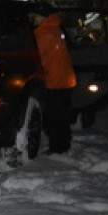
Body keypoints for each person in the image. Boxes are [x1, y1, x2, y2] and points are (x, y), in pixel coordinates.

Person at [31, 8, 77, 154]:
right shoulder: (54, 30)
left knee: (54, 117)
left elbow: (38, 57)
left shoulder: (46, 34)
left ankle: (58, 148)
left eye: (37, 16)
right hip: (63, 80)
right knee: (60, 115)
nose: (35, 19)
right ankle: (61, 145)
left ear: (44, 17)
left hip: (56, 81)